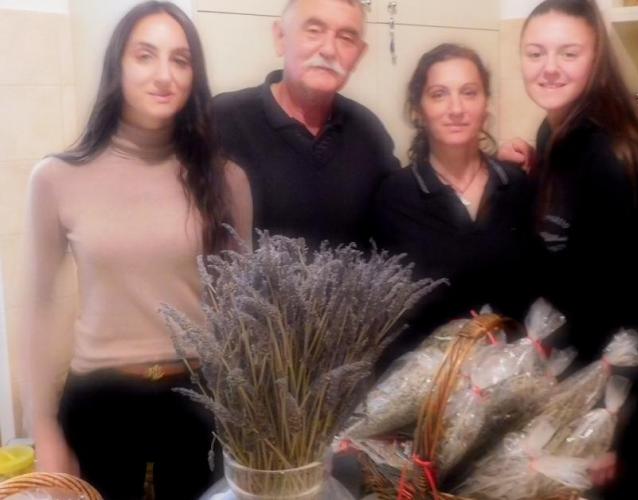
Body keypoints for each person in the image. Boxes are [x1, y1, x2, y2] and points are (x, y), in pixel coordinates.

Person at [23, 2, 252, 498]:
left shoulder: (227, 181)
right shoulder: (58, 178)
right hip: (98, 406)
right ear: (118, 66)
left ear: (194, 76)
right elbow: (36, 311)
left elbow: (241, 317)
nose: (163, 74)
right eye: (145, 55)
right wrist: (45, 431)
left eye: (180, 59)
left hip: (199, 407)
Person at [510, 0, 638, 497]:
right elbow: (573, 259)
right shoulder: (554, 132)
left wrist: (616, 430)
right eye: (535, 52)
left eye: (568, 53)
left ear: (596, 59)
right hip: (589, 371)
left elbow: (628, 311)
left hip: (636, 390)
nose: (549, 67)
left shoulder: (612, 154)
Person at [372, 44, 538, 366]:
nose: (456, 108)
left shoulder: (518, 186)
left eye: (469, 92)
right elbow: (384, 315)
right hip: (426, 383)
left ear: (486, 103)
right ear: (418, 109)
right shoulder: (394, 197)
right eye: (439, 94)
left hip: (509, 379)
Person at [213, 0, 400, 248]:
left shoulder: (369, 132)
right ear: (281, 37)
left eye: (346, 38)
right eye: (314, 31)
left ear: (358, 54)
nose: (329, 50)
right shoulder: (222, 120)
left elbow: (398, 227)